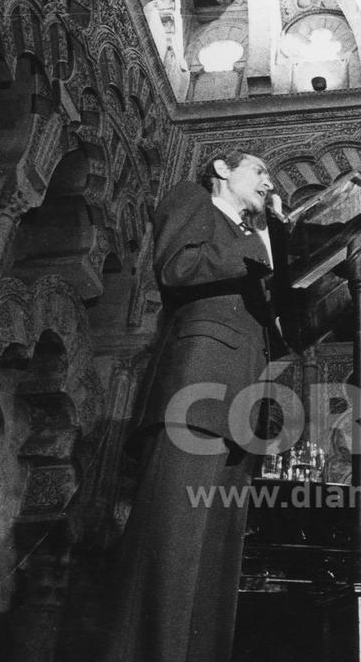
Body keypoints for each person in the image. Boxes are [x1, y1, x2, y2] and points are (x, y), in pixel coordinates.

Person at [103, 151, 285, 661]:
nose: (269, 184)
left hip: (243, 403)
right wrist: (259, 246)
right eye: (260, 172)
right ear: (223, 170)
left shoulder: (257, 236)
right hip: (196, 391)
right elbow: (178, 268)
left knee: (214, 562)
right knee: (171, 543)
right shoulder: (194, 200)